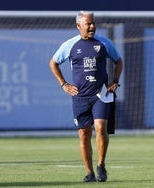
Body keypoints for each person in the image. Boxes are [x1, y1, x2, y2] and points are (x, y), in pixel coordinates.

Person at [49, 11, 123, 182]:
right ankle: (89, 173)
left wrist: (115, 81)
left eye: (93, 23)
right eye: (88, 24)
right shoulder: (70, 45)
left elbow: (118, 60)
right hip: (80, 96)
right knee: (84, 134)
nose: (92, 26)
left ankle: (101, 165)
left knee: (100, 128)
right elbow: (53, 63)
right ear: (78, 26)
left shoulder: (104, 43)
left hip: (101, 94)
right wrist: (64, 84)